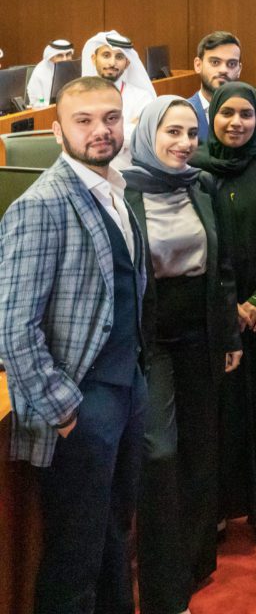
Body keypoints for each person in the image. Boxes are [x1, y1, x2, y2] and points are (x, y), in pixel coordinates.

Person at [0, 76, 146, 613]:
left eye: (110, 118)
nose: (99, 131)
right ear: (58, 132)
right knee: (74, 555)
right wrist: (63, 409)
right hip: (81, 404)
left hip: (127, 389)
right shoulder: (41, 205)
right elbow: (13, 327)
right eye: (83, 121)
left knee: (113, 538)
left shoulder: (117, 189)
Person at [122, 95, 241, 614]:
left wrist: (230, 335)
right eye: (172, 132)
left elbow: (224, 265)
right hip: (151, 338)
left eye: (191, 134)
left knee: (199, 447)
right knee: (160, 454)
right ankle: (163, 592)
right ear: (149, 133)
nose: (184, 144)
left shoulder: (202, 185)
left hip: (203, 331)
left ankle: (194, 563)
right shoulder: (122, 191)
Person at [191, 82, 256, 548]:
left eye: (246, 114)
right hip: (213, 315)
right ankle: (216, 508)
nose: (236, 123)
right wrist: (228, 304)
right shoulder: (191, 170)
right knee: (216, 416)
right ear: (212, 117)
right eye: (227, 113)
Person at [80, 30, 158, 164]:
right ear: (94, 59)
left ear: (127, 63)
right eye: (106, 55)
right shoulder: (79, 97)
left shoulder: (142, 97)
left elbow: (142, 137)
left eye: (119, 57)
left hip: (128, 171)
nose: (112, 63)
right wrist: (127, 128)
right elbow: (80, 138)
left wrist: (99, 136)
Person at [189, 31, 243, 141]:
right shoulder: (179, 113)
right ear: (198, 65)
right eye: (215, 62)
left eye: (231, 64)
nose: (223, 70)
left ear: (239, 70)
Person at [25, 38, 74, 107]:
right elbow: (36, 102)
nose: (65, 59)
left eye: (68, 55)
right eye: (60, 56)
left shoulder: (73, 68)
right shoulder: (40, 72)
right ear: (51, 57)